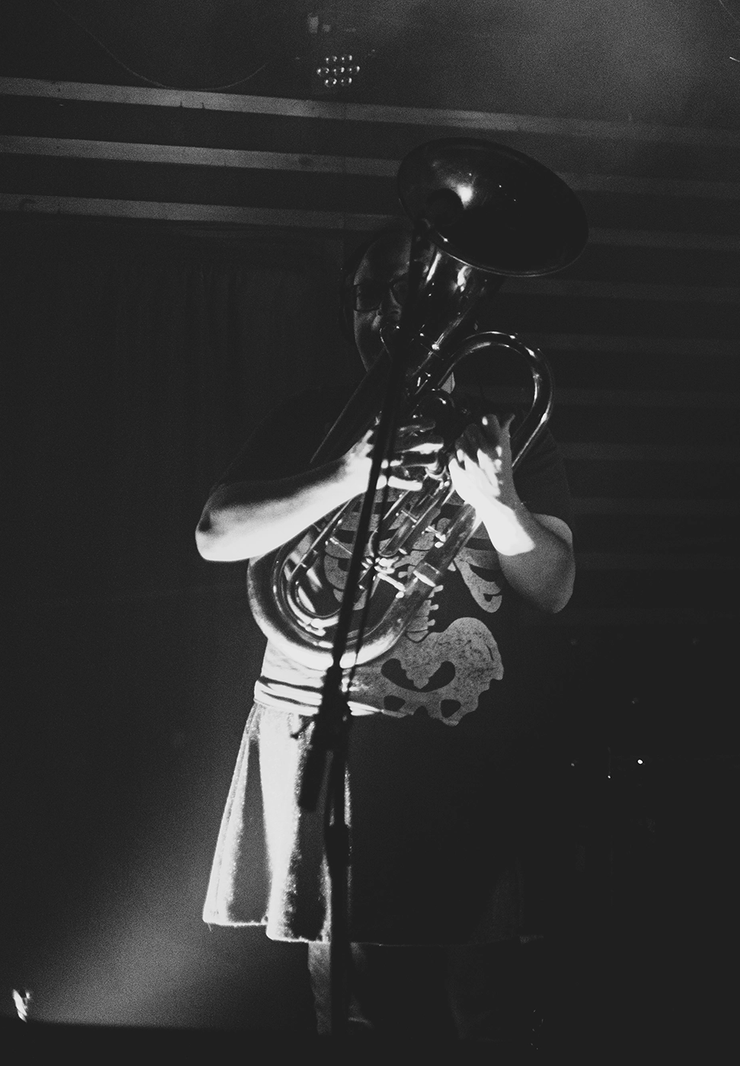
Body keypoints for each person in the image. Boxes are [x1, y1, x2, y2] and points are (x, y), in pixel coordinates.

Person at [195, 224, 576, 1042]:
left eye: (409, 292)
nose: (384, 314)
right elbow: (216, 534)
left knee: (483, 1006)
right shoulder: (313, 419)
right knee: (357, 1006)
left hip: (459, 746)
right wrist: (344, 474)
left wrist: (502, 502)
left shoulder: (505, 429)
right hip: (324, 738)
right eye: (367, 296)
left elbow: (552, 587)